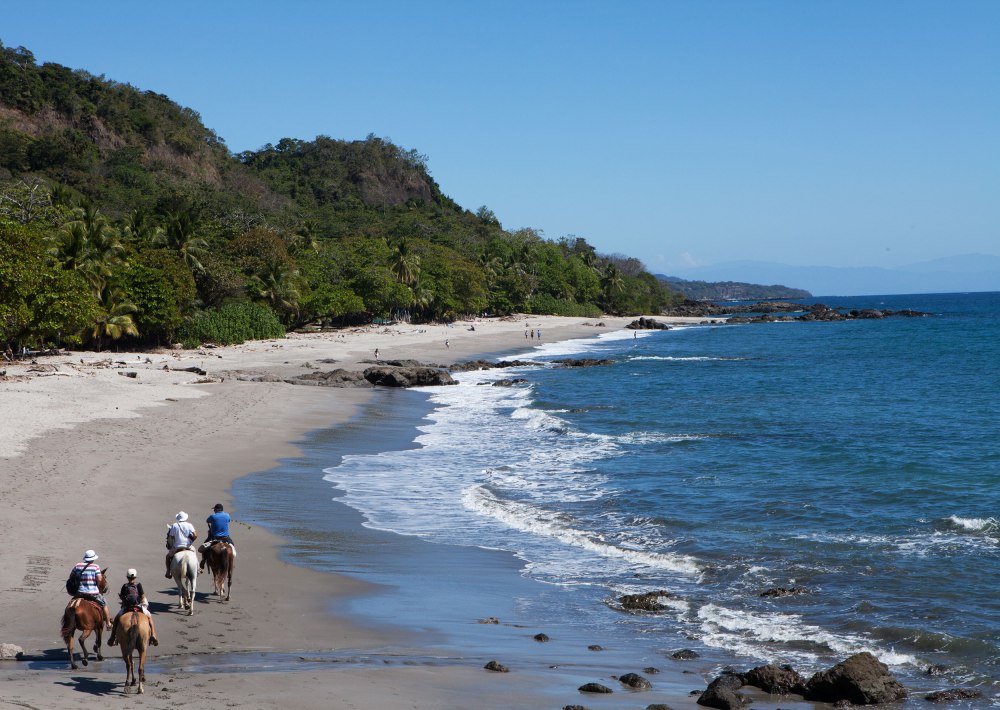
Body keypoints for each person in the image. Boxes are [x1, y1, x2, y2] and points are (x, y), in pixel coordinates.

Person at [107, 569, 158, 646]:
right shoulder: (139, 585)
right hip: (138, 606)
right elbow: (142, 596)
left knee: (117, 619)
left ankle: (112, 637)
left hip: (127, 607)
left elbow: (122, 598)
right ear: (135, 577)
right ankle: (153, 635)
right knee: (149, 617)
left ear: (127, 577)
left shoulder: (124, 586)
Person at [70, 550, 111, 630]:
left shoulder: (78, 565)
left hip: (79, 592)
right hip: (92, 593)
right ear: (93, 559)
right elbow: (99, 579)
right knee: (104, 604)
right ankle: (108, 623)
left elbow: (71, 577)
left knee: (71, 604)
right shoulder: (96, 567)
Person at [199, 503, 236, 571]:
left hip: (215, 537)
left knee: (205, 546)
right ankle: (231, 560)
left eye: (214, 509)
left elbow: (207, 521)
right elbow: (228, 521)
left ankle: (203, 560)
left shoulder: (213, 516)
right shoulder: (227, 515)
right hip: (226, 537)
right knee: (232, 545)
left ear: (216, 509)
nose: (214, 510)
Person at [165, 511, 198, 578]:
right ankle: (198, 569)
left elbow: (171, 537)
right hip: (188, 546)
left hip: (177, 547)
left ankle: (168, 572)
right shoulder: (189, 525)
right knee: (194, 555)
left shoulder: (174, 525)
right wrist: (191, 541)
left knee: (168, 557)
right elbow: (195, 535)